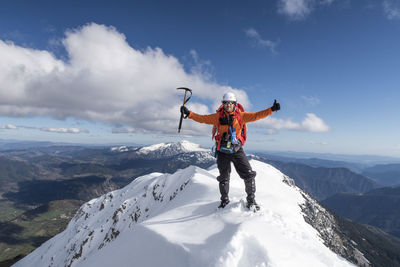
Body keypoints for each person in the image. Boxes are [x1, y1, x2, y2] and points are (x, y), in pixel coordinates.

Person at [180, 92, 280, 210]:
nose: (228, 105)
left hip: (236, 150)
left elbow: (256, 115)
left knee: (249, 175)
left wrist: (271, 110)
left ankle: (251, 200)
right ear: (223, 104)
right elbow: (203, 118)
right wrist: (189, 113)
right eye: (226, 103)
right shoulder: (218, 117)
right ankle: (224, 200)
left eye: (230, 103)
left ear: (234, 104)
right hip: (223, 152)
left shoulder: (241, 116)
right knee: (224, 177)